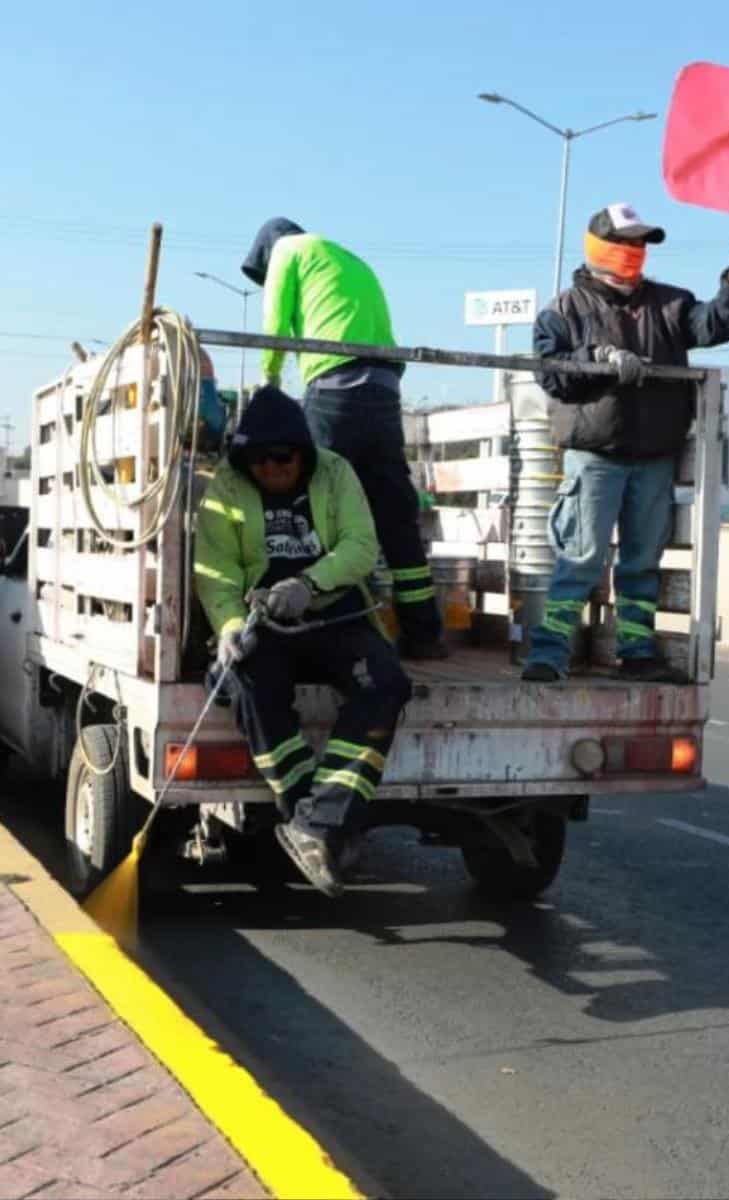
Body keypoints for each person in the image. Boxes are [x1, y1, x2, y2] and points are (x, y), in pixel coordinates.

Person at [522, 203, 729, 684]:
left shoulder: (670, 305)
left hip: (653, 456)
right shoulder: (563, 312)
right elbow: (553, 377)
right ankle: (547, 655)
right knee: (581, 559)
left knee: (641, 563)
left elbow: (718, 324)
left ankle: (637, 652)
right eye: (627, 242)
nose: (636, 252)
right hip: (595, 457)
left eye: (641, 244)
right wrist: (598, 359)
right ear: (600, 246)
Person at [193, 384, 414, 896]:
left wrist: (309, 584)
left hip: (332, 610)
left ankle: (317, 825)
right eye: (259, 461)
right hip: (261, 618)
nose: (270, 469)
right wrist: (228, 626)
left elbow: (361, 545)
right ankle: (309, 819)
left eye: (282, 458)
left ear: (304, 453)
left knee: (386, 684)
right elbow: (216, 569)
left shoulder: (336, 473)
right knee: (247, 683)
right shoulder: (226, 485)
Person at [240, 218, 446, 659]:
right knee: (390, 508)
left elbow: (274, 323)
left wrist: (270, 384)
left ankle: (316, 627)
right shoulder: (340, 256)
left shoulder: (286, 252)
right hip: (383, 387)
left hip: (335, 386)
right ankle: (424, 633)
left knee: (311, 504)